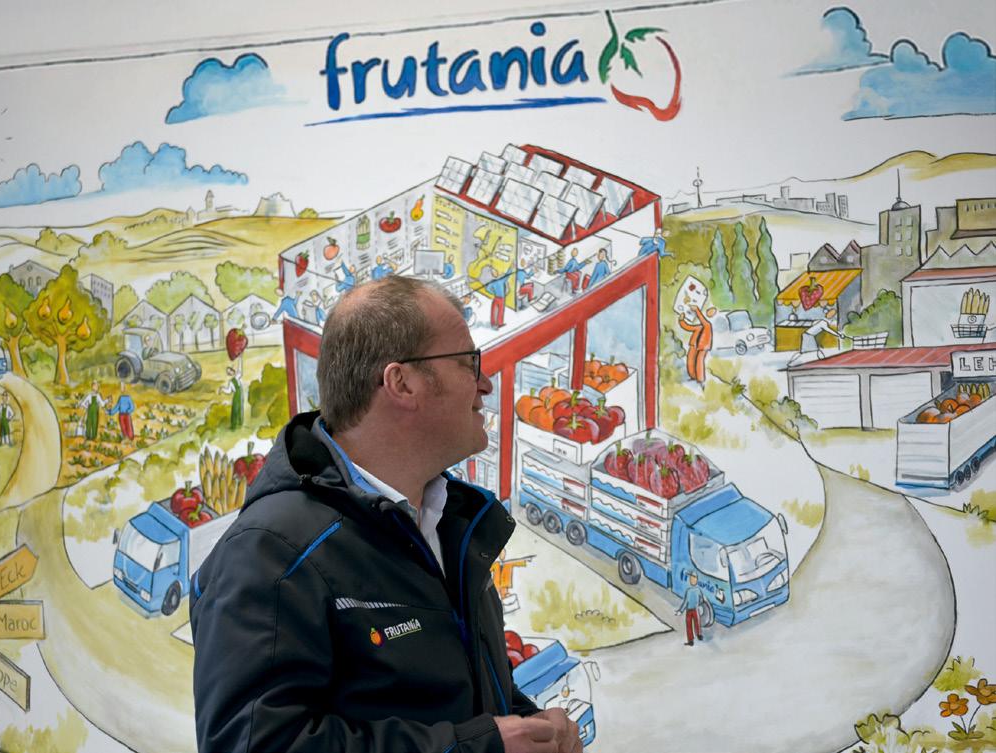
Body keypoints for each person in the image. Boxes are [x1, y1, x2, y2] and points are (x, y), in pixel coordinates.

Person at [191, 276, 582, 753]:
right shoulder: (272, 553)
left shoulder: (448, 525)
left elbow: (454, 703)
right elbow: (256, 745)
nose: (485, 383)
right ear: (401, 382)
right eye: (468, 363)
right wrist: (479, 747)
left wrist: (530, 727)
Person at [678, 305, 716, 384]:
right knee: (690, 360)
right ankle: (693, 376)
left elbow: (703, 320)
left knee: (699, 361)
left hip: (703, 347)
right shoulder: (699, 327)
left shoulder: (708, 325)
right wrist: (681, 320)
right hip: (694, 345)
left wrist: (697, 310)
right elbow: (688, 327)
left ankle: (700, 379)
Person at [675, 571, 708, 646]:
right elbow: (685, 602)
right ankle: (691, 640)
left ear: (696, 580)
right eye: (690, 578)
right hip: (689, 610)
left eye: (693, 578)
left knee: (697, 622)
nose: (691, 580)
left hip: (694, 609)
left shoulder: (697, 590)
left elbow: (701, 599)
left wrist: (700, 602)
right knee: (689, 625)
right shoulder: (689, 590)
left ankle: (698, 635)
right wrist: (680, 611)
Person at [219, 363, 243, 430]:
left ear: (232, 370)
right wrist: (222, 389)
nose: (230, 372)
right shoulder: (231, 381)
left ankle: (239, 423)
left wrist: (240, 359)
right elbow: (229, 391)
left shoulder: (237, 376)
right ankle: (233, 426)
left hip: (240, 396)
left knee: (239, 409)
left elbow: (240, 370)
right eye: (228, 372)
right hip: (236, 396)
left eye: (230, 370)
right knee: (235, 410)